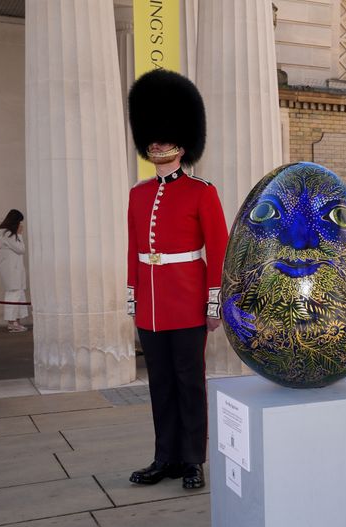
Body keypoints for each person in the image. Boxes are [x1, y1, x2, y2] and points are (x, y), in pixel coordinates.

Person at [126, 69, 229, 491]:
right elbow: (134, 250)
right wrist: (134, 299)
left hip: (186, 301)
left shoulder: (201, 191)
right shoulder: (138, 193)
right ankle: (164, 456)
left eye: (164, 136)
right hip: (151, 305)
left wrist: (213, 302)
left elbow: (219, 249)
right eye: (151, 136)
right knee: (160, 384)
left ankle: (192, 459)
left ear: (182, 142)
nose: (156, 143)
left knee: (190, 383)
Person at [0, 209, 29, 332]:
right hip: (11, 270)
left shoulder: (4, 233)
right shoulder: (6, 234)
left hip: (13, 269)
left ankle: (16, 321)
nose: (20, 224)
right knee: (13, 294)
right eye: (19, 222)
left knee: (18, 294)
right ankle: (12, 322)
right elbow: (21, 249)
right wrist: (19, 234)